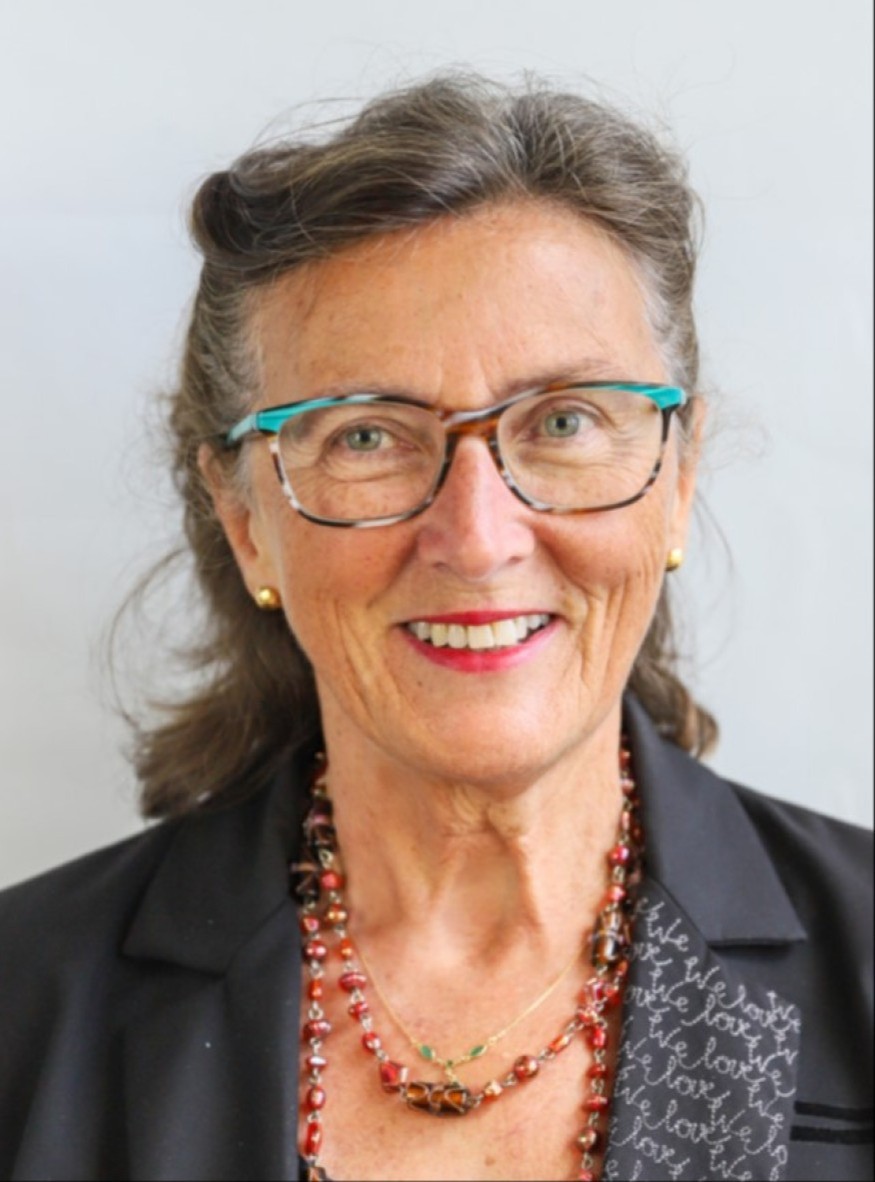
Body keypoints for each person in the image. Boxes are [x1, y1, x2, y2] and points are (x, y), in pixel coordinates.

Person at [0, 74, 871, 1182]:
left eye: (563, 421)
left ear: (678, 477)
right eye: (365, 436)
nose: (477, 538)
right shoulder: (22, 1006)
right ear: (247, 523)